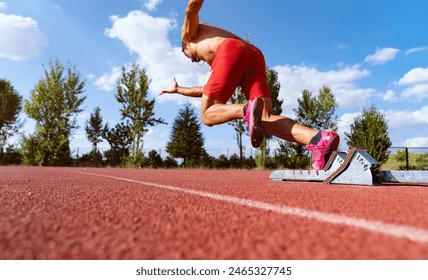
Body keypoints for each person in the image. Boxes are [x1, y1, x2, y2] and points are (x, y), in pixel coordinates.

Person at [160, 0, 339, 171]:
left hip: (230, 50)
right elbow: (206, 91)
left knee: (206, 115)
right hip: (253, 54)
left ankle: (247, 110)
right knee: (265, 119)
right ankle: (317, 138)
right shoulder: (213, 62)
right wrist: (178, 90)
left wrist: (246, 109)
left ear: (185, 46)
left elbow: (191, 9)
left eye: (188, 56)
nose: (193, 60)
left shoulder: (188, 35)